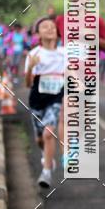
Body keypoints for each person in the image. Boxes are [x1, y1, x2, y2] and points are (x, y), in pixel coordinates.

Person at [25, 17, 65, 190]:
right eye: (44, 27)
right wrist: (29, 69)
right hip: (37, 100)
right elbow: (28, 84)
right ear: (38, 33)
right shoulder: (34, 54)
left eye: (52, 26)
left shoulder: (64, 53)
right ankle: (46, 155)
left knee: (49, 134)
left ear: (57, 32)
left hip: (55, 99)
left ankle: (46, 172)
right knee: (40, 138)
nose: (49, 29)